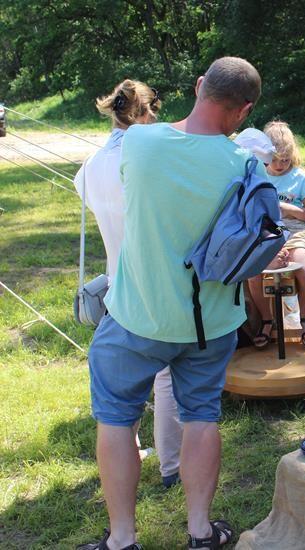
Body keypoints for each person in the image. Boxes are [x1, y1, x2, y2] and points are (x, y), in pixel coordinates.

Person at [79, 57, 262, 550]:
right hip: (211, 323)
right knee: (201, 416)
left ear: (200, 85)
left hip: (137, 315)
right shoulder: (244, 163)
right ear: (244, 110)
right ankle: (201, 532)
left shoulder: (140, 143)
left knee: (117, 418)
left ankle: (122, 540)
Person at [72, 79, 183, 490]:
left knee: (122, 377)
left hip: (116, 280)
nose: (157, 117)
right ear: (141, 112)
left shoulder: (91, 166)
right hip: (151, 278)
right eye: (153, 110)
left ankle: (135, 448)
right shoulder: (145, 159)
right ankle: (173, 466)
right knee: (166, 373)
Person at [245, 122, 305, 348]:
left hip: (297, 233)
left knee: (304, 270)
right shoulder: (257, 174)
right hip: (267, 233)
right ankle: (267, 321)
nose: (280, 165)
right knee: (253, 274)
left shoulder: (300, 176)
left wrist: (290, 210)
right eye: (275, 160)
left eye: (285, 160)